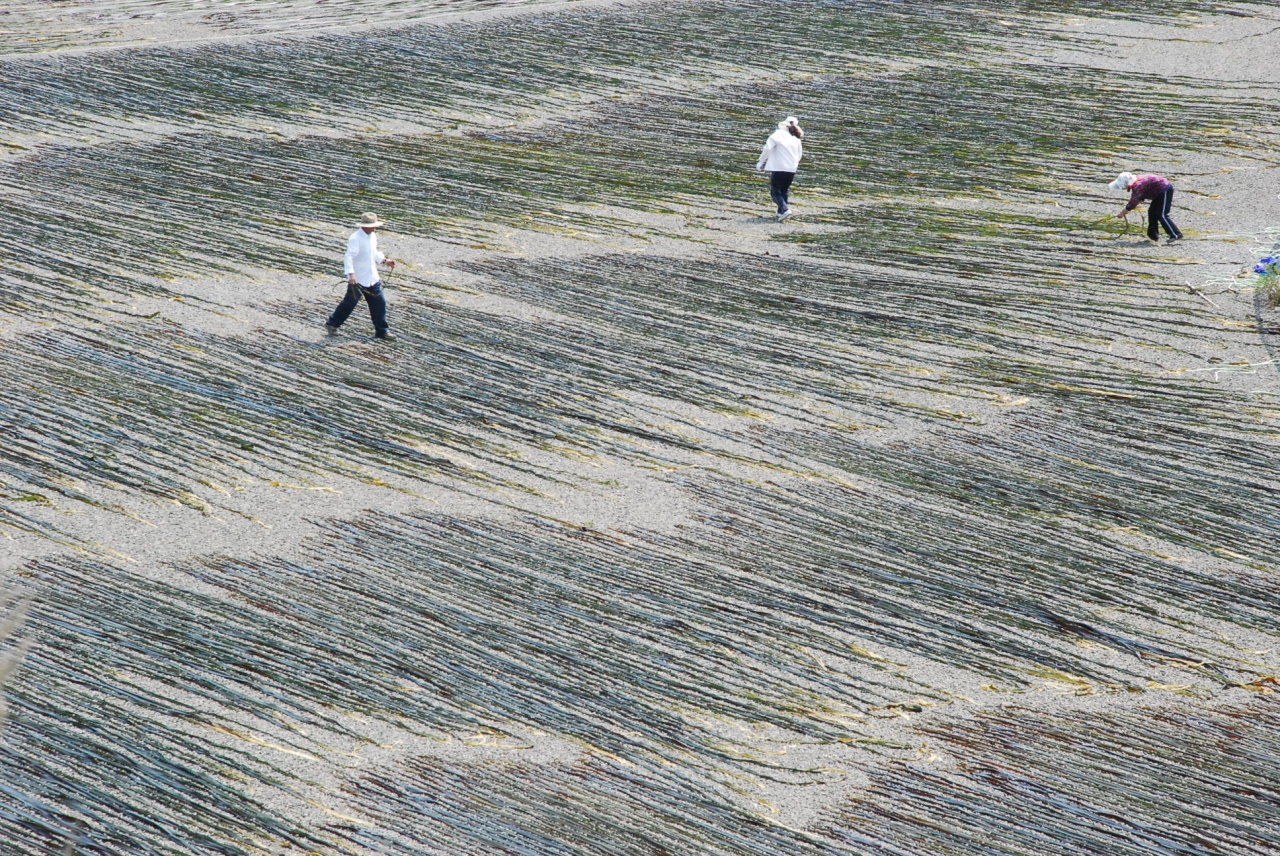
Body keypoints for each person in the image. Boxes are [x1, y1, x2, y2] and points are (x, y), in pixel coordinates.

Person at [325, 212, 398, 339]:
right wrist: (351, 275)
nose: (375, 228)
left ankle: (382, 331)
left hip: (372, 277)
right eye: (373, 226)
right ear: (365, 226)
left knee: (379, 303)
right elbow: (349, 257)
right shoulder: (355, 238)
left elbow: (373, 252)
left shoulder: (372, 235)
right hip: (357, 278)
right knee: (349, 303)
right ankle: (332, 324)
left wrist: (385, 261)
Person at [1111, 172, 1182, 244]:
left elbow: (1133, 202)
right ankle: (1153, 236)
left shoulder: (1138, 185)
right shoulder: (1137, 182)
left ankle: (1176, 234)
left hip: (1164, 189)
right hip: (1157, 193)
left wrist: (1122, 213)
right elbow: (1140, 197)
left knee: (1162, 215)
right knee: (1152, 213)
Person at [756, 116, 804, 221]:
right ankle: (780, 213)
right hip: (792, 168)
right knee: (784, 190)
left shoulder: (777, 135)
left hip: (779, 167)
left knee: (775, 191)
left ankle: (785, 209)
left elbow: (767, 148)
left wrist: (761, 162)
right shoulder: (796, 139)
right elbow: (799, 155)